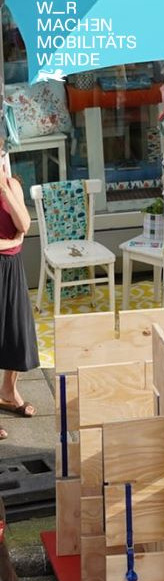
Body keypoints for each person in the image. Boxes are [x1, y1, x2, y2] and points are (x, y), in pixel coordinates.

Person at [0, 158, 38, 441]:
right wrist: (13, 242)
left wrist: (5, 188)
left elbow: (24, 223)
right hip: (8, 260)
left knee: (17, 332)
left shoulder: (12, 185)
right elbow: (17, 235)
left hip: (11, 268)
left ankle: (8, 390)